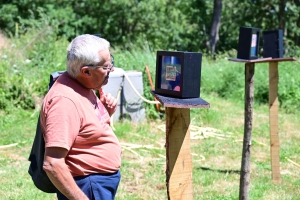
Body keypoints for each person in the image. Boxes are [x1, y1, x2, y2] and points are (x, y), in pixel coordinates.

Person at [40, 34, 122, 200]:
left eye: (110, 62)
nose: (111, 70)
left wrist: (105, 111)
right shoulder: (64, 101)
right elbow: (53, 163)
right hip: (88, 186)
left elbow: (84, 128)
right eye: (106, 67)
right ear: (86, 71)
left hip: (96, 184)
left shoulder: (82, 84)